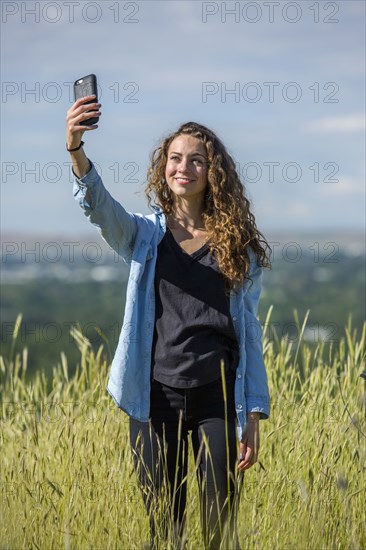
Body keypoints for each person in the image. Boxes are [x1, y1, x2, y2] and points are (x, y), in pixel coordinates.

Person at [66, 94, 272, 550]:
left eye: (196, 160)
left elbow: (250, 335)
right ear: (164, 167)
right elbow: (99, 208)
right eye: (175, 158)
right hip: (154, 400)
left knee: (220, 531)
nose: (183, 167)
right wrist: (76, 149)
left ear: (212, 172)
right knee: (166, 532)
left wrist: (253, 414)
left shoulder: (239, 248)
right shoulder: (143, 235)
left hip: (218, 401)